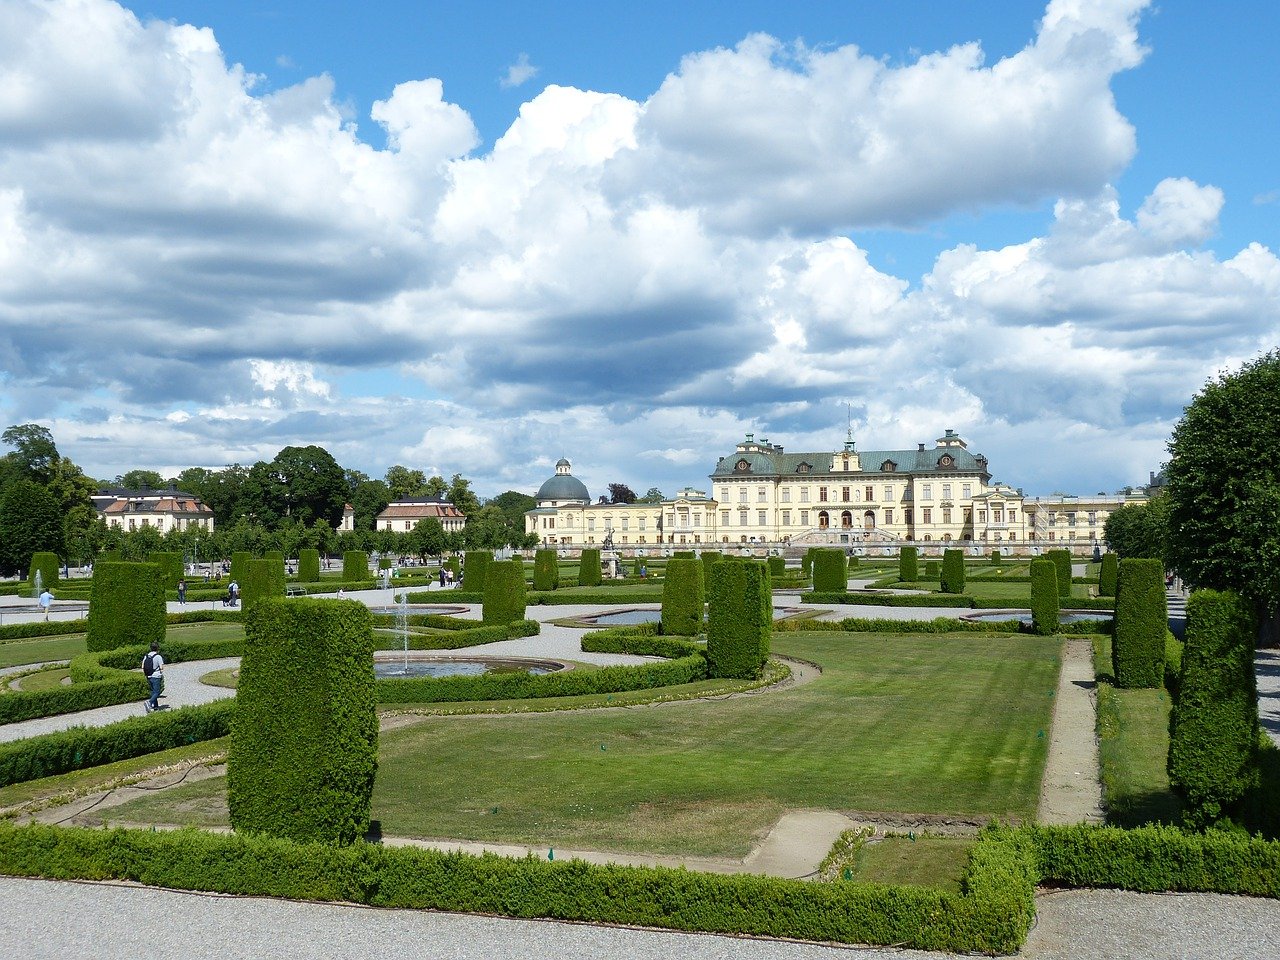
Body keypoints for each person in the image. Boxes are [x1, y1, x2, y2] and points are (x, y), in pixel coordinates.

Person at [142, 641, 164, 713]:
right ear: (157, 648)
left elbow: (142, 666)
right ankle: (149, 702)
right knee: (157, 692)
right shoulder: (158, 656)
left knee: (153, 691)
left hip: (148, 675)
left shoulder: (146, 656)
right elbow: (161, 667)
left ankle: (155, 706)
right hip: (156, 676)